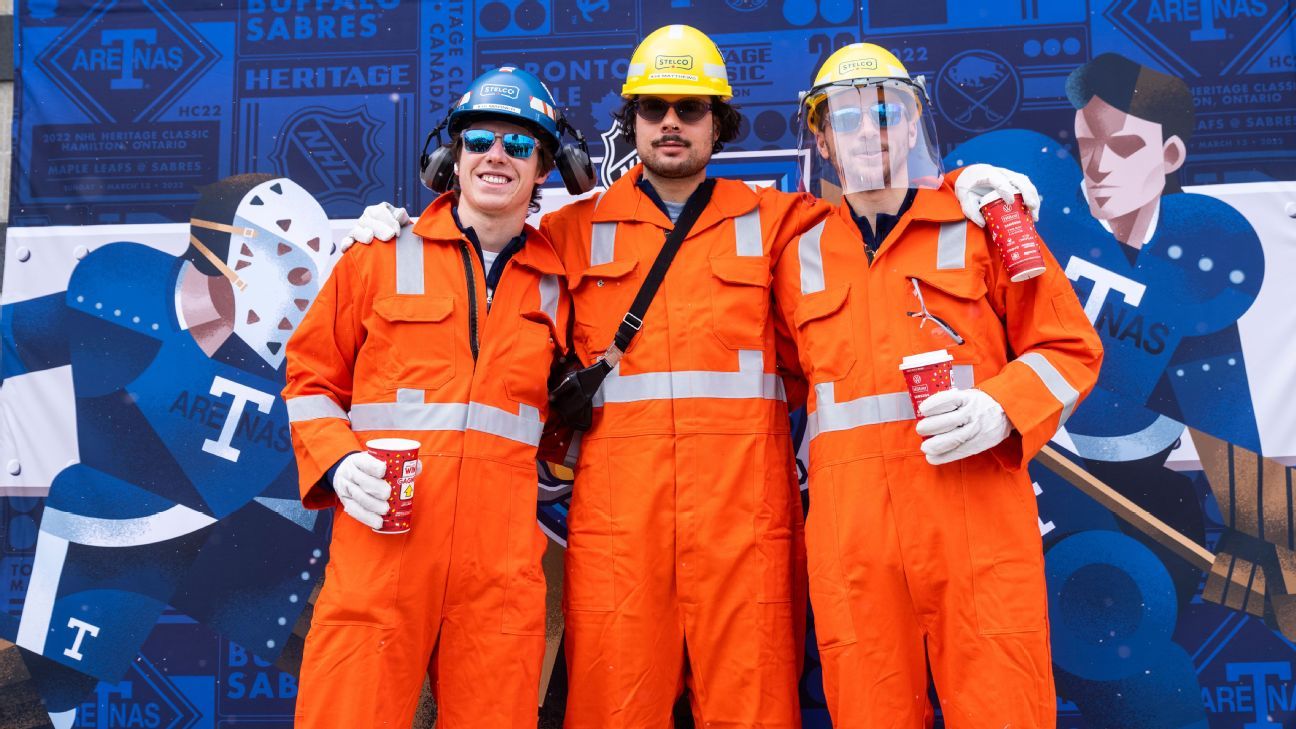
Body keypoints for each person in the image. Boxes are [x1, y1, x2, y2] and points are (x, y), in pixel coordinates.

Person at [344, 26, 1039, 727]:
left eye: (691, 108)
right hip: (621, 534)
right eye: (654, 108)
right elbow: (481, 246)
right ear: (632, 122)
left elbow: (882, 219)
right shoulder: (570, 234)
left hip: (747, 535)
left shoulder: (782, 223)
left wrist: (963, 187)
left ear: (719, 123)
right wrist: (399, 228)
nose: (671, 123)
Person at [770, 43, 1103, 727]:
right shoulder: (792, 252)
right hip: (852, 537)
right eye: (847, 116)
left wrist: (1002, 406)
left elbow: (1069, 346)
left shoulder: (985, 220)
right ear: (822, 138)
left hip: (975, 523)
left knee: (1003, 707)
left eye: (886, 112)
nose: (869, 130)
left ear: (914, 121)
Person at [282, 66, 574, 727]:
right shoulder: (378, 255)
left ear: (543, 169)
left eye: (520, 145)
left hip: (499, 568)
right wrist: (335, 459)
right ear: (452, 155)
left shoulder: (563, 286)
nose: (497, 156)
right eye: (479, 140)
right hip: (383, 551)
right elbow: (310, 378)